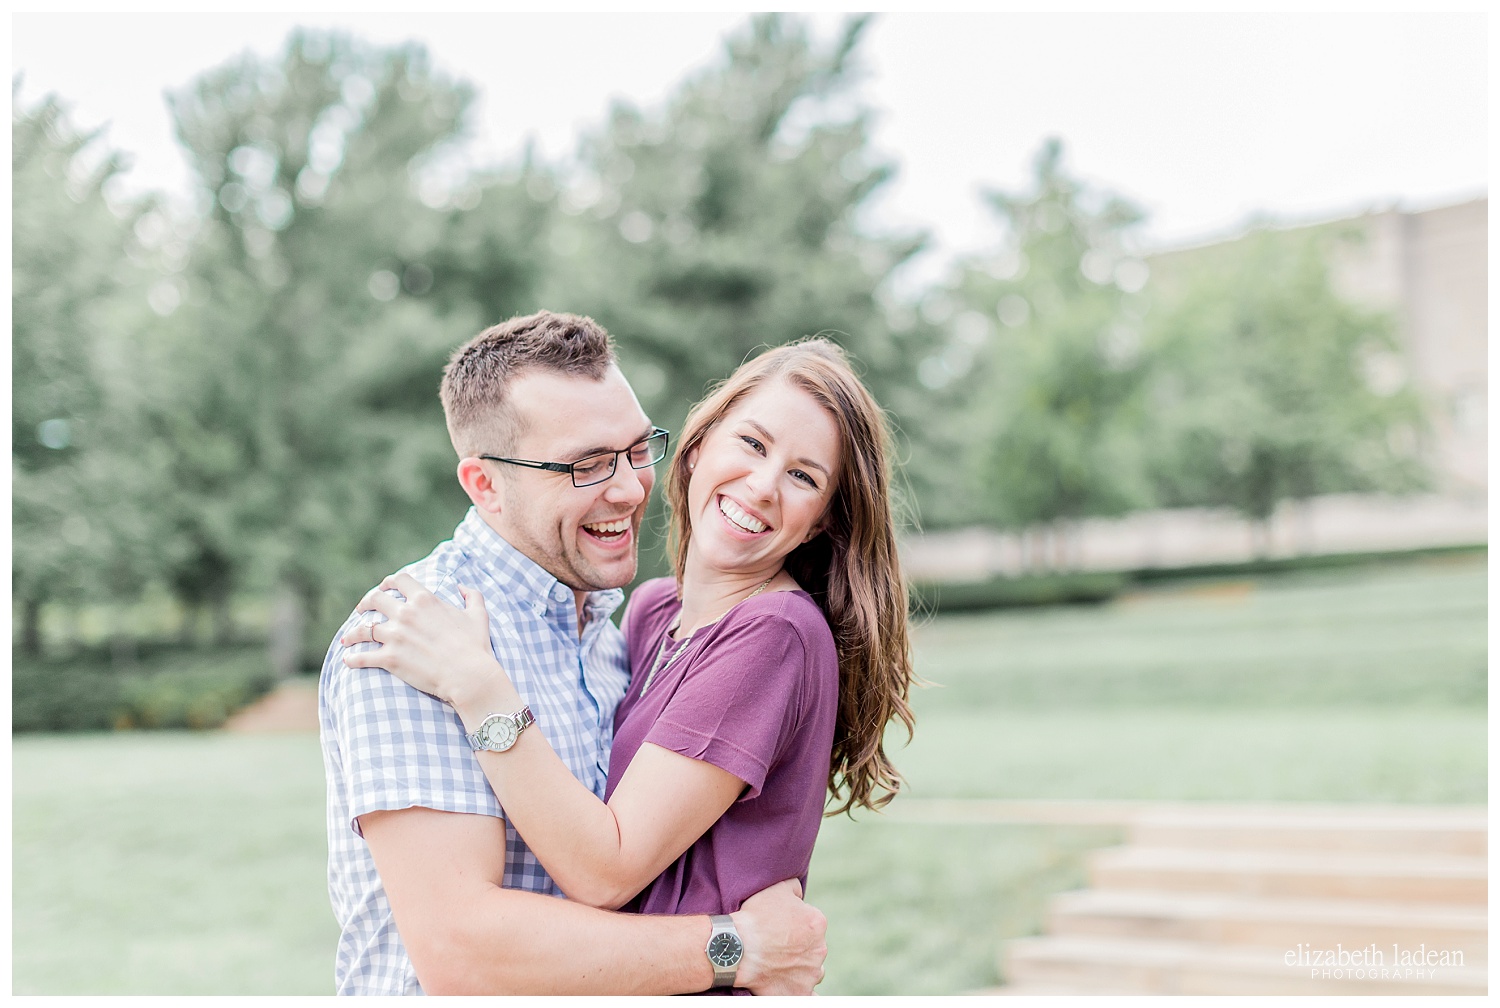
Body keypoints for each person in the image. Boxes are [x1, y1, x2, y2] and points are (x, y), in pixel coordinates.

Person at [341, 337, 917, 990]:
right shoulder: (642, 615)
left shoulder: (773, 632)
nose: (762, 486)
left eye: (804, 476)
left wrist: (480, 688)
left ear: (819, 522)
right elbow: (460, 942)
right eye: (752, 445)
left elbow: (604, 869)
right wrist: (740, 946)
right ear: (702, 447)